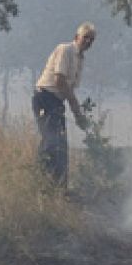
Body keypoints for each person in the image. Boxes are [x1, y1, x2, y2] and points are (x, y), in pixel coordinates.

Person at [32, 22, 97, 186]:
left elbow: (68, 88)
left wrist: (78, 114)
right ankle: (42, 182)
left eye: (91, 39)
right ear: (76, 37)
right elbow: (59, 81)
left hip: (56, 102)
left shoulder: (80, 59)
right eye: (85, 37)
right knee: (52, 143)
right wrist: (77, 111)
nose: (88, 42)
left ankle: (59, 187)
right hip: (45, 97)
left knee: (60, 146)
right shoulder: (65, 50)